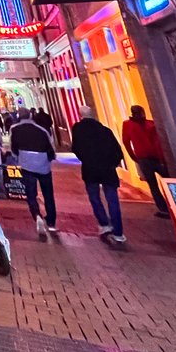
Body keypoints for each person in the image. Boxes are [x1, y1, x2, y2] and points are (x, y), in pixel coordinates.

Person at [71, 105, 127, 248]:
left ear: (80, 115)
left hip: (91, 169)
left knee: (95, 198)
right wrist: (112, 163)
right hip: (108, 169)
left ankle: (104, 223)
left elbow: (76, 148)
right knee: (113, 200)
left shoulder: (79, 130)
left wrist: (86, 159)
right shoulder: (105, 130)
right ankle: (118, 232)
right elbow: (117, 151)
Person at [11, 108, 58, 240]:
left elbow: (14, 147)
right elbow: (51, 147)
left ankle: (37, 215)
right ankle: (51, 222)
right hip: (43, 165)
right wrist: (49, 159)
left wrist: (18, 159)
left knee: (31, 193)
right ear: (31, 115)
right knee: (48, 194)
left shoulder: (15, 129)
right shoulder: (42, 130)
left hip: (26, 164)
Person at [122, 105, 170, 218]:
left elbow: (126, 141)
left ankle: (167, 207)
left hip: (150, 158)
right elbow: (126, 142)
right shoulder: (147, 124)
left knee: (159, 183)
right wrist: (133, 156)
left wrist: (133, 156)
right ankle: (167, 207)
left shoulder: (147, 124)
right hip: (149, 158)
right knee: (159, 183)